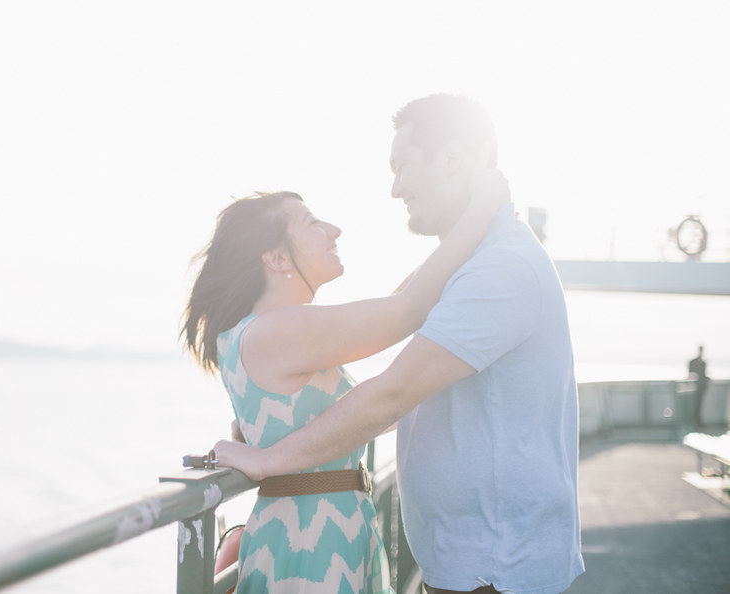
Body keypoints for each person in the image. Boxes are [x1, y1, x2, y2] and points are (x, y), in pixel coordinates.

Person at [213, 93, 585, 594]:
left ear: (452, 159)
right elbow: (404, 310)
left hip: (496, 568)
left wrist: (271, 456)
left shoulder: (501, 268)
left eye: (402, 166)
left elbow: (394, 385)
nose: (395, 188)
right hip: (468, 562)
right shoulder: (475, 266)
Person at [181, 168, 509, 593]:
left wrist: (467, 233)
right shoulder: (270, 332)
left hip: (325, 529)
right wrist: (482, 211)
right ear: (277, 258)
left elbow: (401, 306)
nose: (333, 230)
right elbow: (407, 310)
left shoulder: (265, 332)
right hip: (309, 542)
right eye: (312, 222)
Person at [688, 345, 708, 429]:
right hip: (693, 387)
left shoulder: (703, 363)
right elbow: (691, 373)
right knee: (693, 405)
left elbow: (703, 375)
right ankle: (694, 422)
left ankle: (698, 422)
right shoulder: (693, 362)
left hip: (701, 387)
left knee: (699, 405)